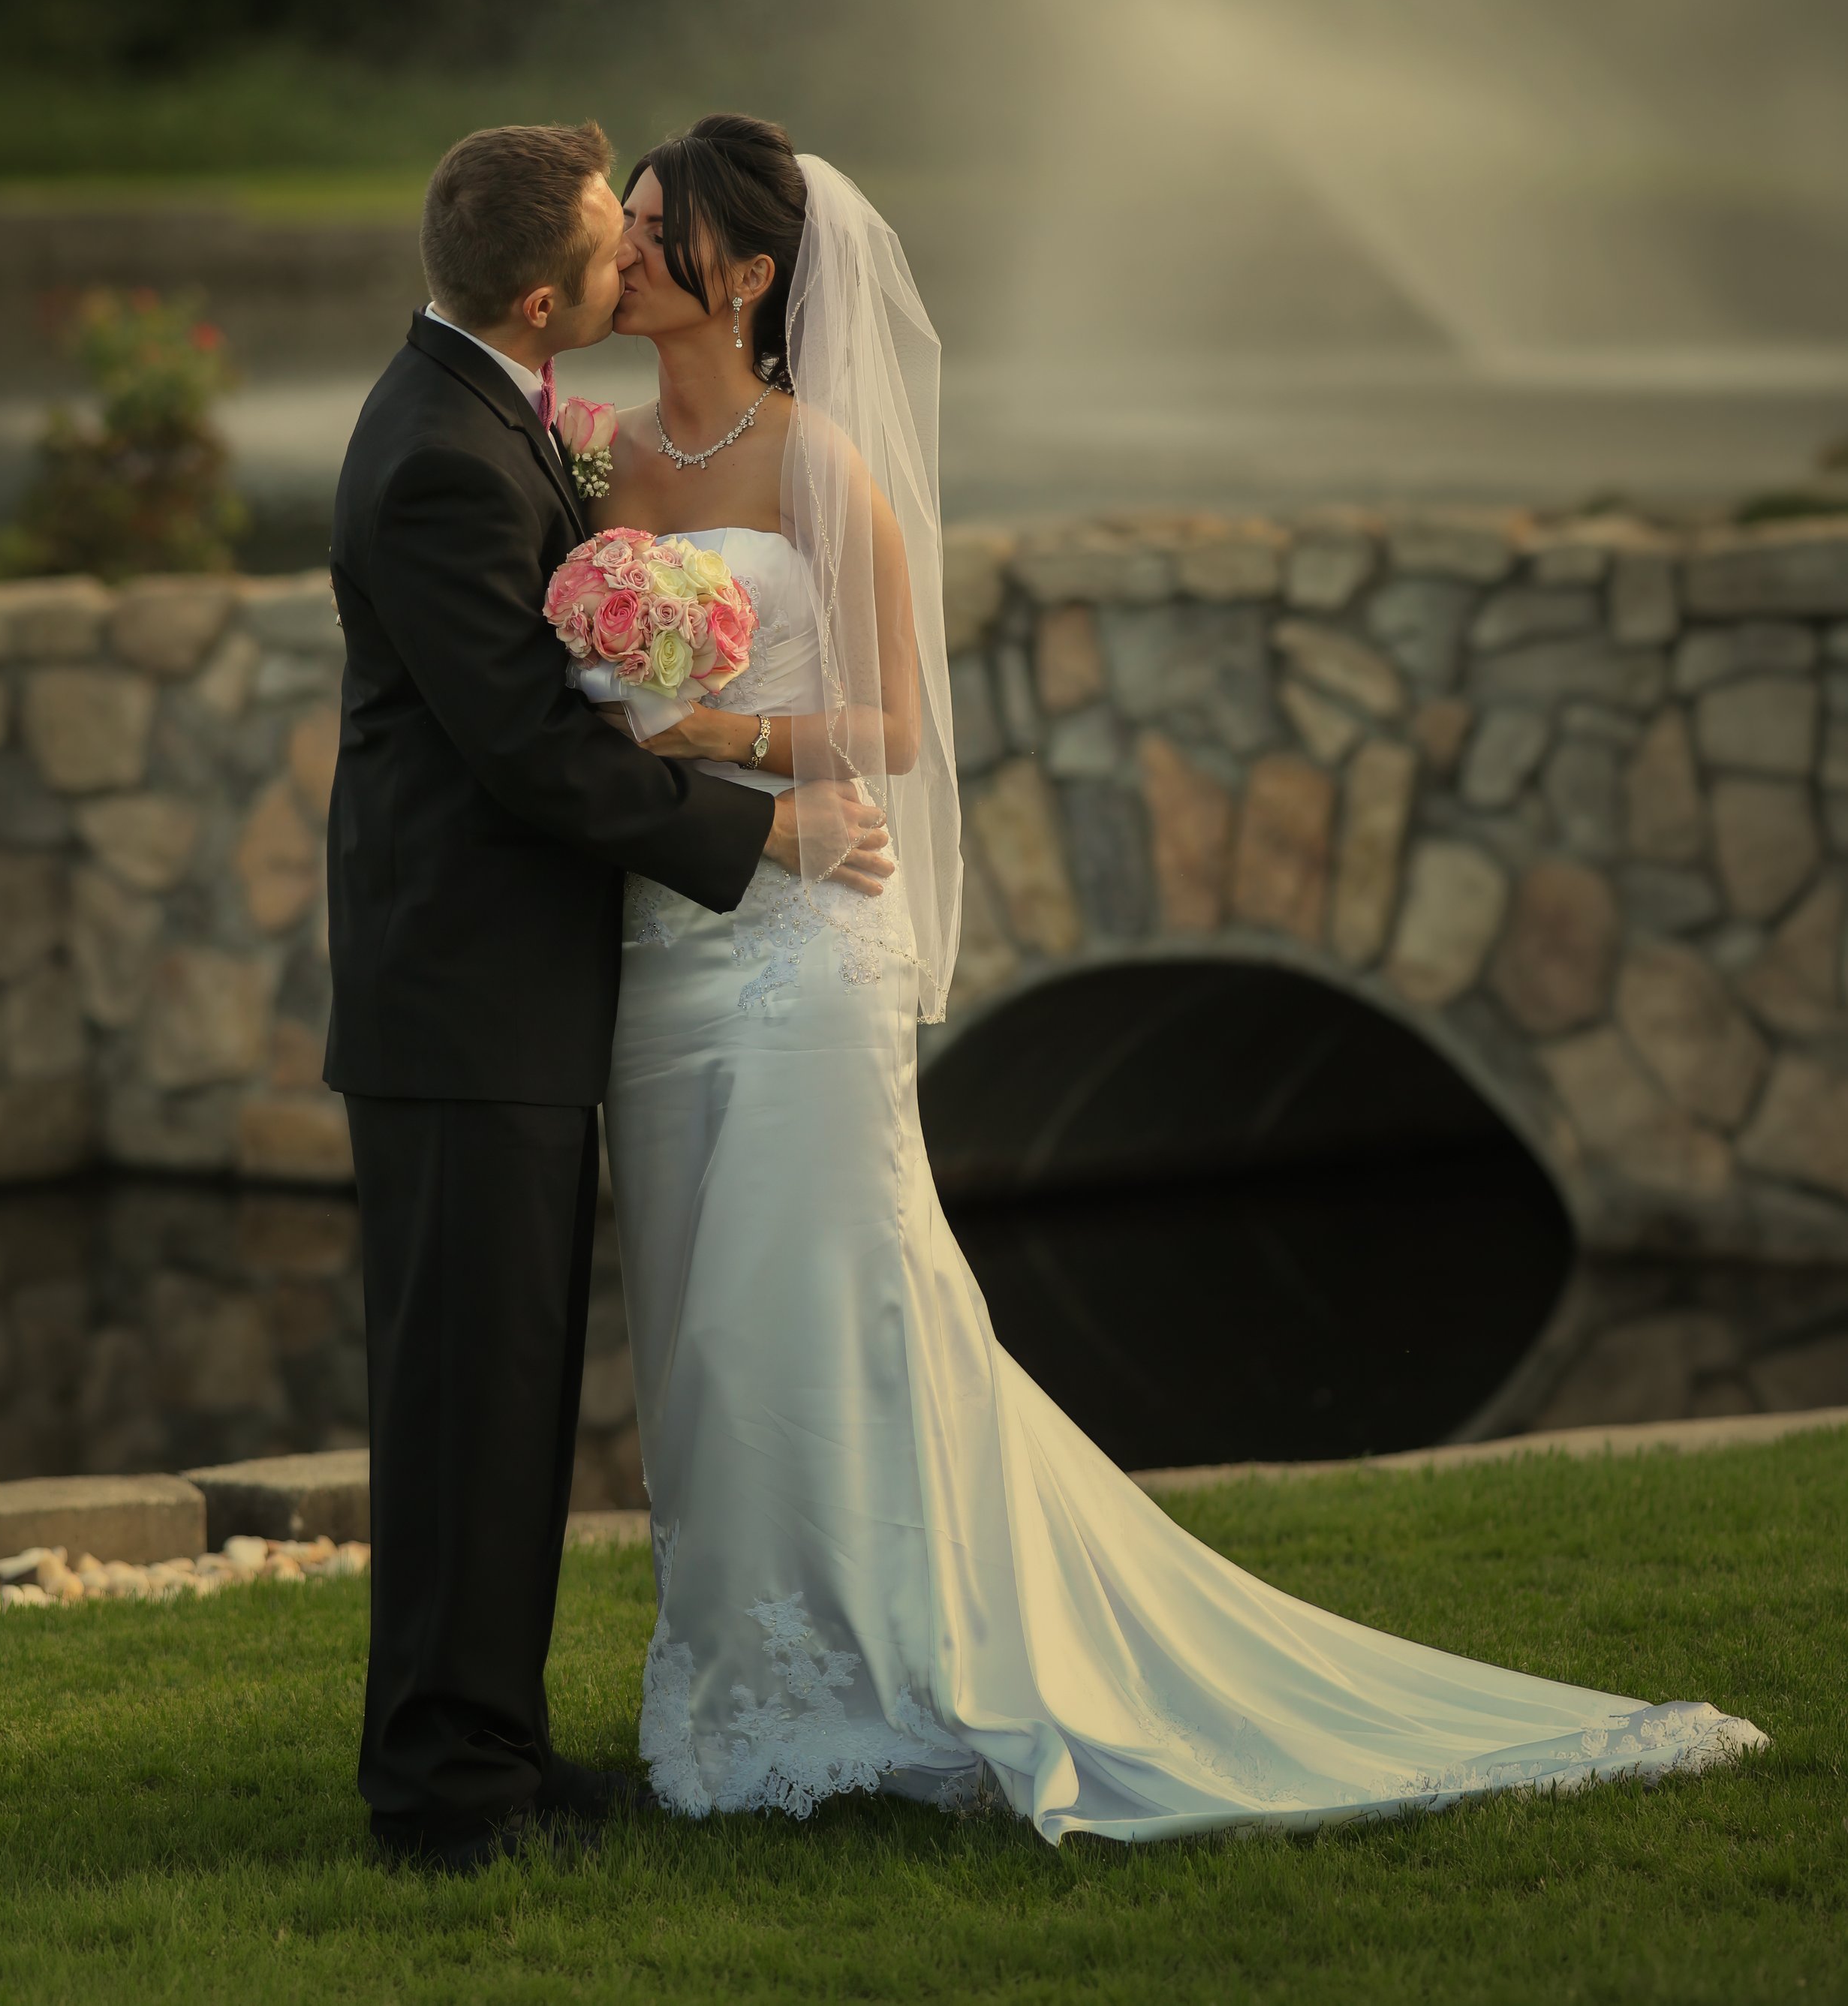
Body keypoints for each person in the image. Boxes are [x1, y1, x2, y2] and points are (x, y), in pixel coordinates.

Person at [590, 112, 1766, 1840]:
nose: (617, 246)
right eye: (617, 221)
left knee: (826, 1307)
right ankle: (742, 1676)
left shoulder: (821, 461)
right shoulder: (604, 460)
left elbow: (899, 727)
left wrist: (716, 727)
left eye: (648, 226)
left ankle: (883, 1683)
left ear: (748, 274)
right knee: (696, 1326)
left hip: (805, 948)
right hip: (666, 957)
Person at [323, 120, 889, 1870]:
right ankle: (442, 1791)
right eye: (604, 238)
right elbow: (523, 759)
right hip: (462, 1002)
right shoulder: (447, 455)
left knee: (506, 1398)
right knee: (459, 1409)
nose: (625, 257)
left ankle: (489, 1745)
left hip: (515, 997)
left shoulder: (503, 423)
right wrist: (762, 831)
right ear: (538, 295)